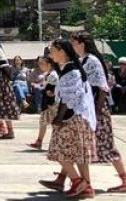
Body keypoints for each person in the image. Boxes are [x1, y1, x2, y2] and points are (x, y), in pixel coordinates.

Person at [73, 31, 126, 194]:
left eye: (74, 43)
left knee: (105, 145)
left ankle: (125, 181)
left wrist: (97, 113)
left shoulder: (92, 60)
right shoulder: (83, 60)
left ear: (82, 44)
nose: (72, 46)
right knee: (79, 145)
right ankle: (68, 179)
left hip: (96, 109)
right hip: (88, 109)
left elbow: (101, 88)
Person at [39, 39, 98, 198]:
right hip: (79, 116)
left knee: (59, 151)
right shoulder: (67, 68)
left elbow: (68, 98)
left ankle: (78, 182)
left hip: (72, 117)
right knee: (78, 154)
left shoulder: (71, 71)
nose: (50, 54)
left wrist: (59, 118)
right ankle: (87, 187)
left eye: (52, 50)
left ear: (62, 51)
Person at [29, 55, 59, 150]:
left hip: (52, 104)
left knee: (55, 124)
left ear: (49, 64)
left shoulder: (53, 75)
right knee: (43, 122)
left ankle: (56, 143)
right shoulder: (47, 74)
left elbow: (55, 88)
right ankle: (39, 142)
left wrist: (51, 92)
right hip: (46, 103)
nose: (40, 65)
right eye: (39, 63)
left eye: (42, 63)